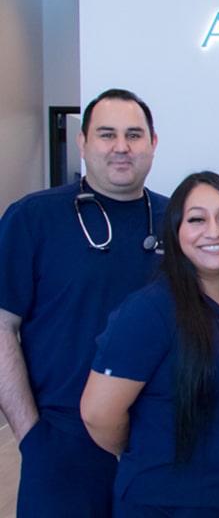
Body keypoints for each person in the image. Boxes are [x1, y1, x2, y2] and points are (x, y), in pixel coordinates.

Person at [80, 172, 219, 516]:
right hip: (172, 503)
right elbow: (98, 414)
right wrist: (152, 451)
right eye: (196, 219)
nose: (214, 231)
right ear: (175, 232)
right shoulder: (149, 310)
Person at [0, 88, 165, 516]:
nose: (121, 147)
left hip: (159, 446)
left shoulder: (182, 221)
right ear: (82, 143)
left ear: (153, 143)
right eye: (107, 134)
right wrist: (31, 434)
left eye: (134, 135)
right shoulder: (34, 218)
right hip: (62, 446)